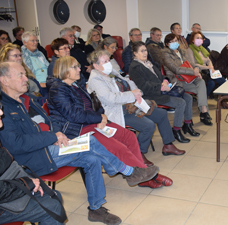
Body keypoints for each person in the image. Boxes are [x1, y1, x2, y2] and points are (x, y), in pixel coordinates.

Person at [0, 61, 159, 225]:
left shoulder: (28, 99)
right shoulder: (3, 107)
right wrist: (52, 137)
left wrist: (57, 133)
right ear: (4, 80)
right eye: (20, 75)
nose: (26, 78)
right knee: (91, 141)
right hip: (34, 158)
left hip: (52, 145)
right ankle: (128, 171)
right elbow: (15, 144)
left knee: (92, 159)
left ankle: (96, 209)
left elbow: (51, 119)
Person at [47, 55, 169, 188]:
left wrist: (101, 116)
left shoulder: (76, 85)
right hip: (76, 129)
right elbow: (74, 115)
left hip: (90, 122)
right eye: (74, 67)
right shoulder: (58, 89)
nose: (79, 69)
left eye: (78, 66)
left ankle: (141, 173)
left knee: (128, 136)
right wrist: (99, 118)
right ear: (64, 70)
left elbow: (94, 104)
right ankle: (145, 175)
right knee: (117, 146)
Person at [87, 50, 186, 159]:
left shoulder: (111, 72)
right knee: (148, 126)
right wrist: (132, 94)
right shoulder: (96, 79)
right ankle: (138, 154)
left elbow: (129, 82)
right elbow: (110, 99)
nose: (108, 63)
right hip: (118, 111)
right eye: (104, 61)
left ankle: (168, 145)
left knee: (161, 114)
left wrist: (136, 92)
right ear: (96, 66)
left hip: (131, 105)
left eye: (108, 60)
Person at [0, 104, 65, 225]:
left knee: (54, 196)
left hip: (9, 184)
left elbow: (8, 166)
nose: (1, 112)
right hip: (4, 198)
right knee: (53, 207)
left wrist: (30, 181)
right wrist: (26, 184)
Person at [129, 41, 199, 143]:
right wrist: (161, 87)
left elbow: (161, 76)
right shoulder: (135, 67)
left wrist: (165, 81)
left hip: (161, 90)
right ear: (135, 53)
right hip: (152, 95)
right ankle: (176, 130)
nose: (145, 53)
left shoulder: (148, 63)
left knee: (188, 97)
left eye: (146, 50)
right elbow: (143, 86)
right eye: (142, 51)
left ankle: (187, 125)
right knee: (180, 103)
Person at [162, 33, 212, 126]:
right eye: (171, 42)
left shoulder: (182, 51)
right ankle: (204, 114)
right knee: (201, 90)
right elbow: (176, 69)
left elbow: (190, 64)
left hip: (189, 77)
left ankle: (204, 112)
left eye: (176, 41)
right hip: (177, 80)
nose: (174, 43)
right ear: (167, 44)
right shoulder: (166, 54)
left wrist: (197, 69)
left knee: (201, 82)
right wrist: (193, 72)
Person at [186, 31, 228, 109]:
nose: (200, 39)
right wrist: (207, 68)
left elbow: (208, 60)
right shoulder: (190, 50)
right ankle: (203, 102)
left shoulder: (202, 49)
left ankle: (222, 100)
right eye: (197, 38)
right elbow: (193, 64)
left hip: (207, 71)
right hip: (198, 72)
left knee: (222, 81)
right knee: (211, 83)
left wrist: (211, 67)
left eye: (201, 38)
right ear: (192, 40)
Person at [20, 31, 49, 98]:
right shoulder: (23, 56)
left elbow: (48, 68)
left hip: (48, 83)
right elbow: (28, 75)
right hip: (38, 86)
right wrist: (39, 84)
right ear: (25, 42)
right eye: (32, 41)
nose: (36, 42)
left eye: (36, 40)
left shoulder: (40, 54)